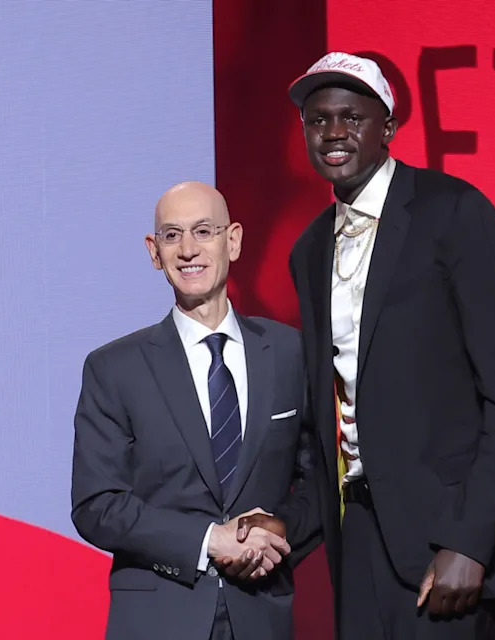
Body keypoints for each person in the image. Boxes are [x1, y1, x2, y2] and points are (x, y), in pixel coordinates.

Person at [248, 51, 495, 639]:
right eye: (317, 120)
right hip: (358, 536)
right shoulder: (310, 249)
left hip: (449, 544)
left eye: (350, 117)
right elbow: (327, 413)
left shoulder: (453, 211)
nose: (333, 133)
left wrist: (470, 542)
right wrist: (287, 522)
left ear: (386, 125)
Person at [71, 181, 320, 640]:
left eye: (204, 231)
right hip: (157, 619)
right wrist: (208, 541)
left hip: (262, 613)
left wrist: (276, 534)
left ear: (234, 240)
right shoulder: (114, 368)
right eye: (171, 235)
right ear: (153, 251)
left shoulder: (288, 352)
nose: (188, 250)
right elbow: (96, 505)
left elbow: (320, 481)